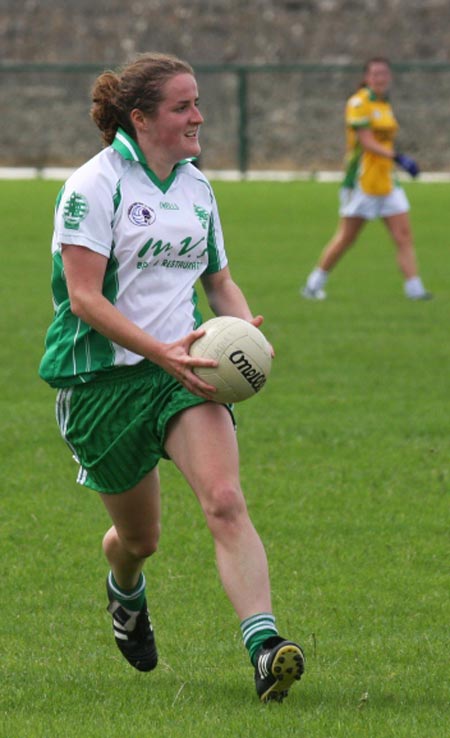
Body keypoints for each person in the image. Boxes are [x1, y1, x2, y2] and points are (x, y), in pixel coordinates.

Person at [39, 52, 304, 703]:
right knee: (139, 538)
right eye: (184, 105)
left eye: (198, 102)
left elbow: (218, 283)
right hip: (101, 382)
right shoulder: (93, 186)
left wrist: (248, 334)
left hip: (186, 375)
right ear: (141, 116)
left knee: (224, 501)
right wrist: (160, 350)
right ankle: (123, 585)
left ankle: (266, 648)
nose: (199, 116)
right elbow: (84, 299)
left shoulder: (196, 188)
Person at [302, 56, 431, 301]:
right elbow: (366, 141)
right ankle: (313, 285)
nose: (380, 78)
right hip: (362, 182)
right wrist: (399, 157)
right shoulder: (358, 103)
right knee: (346, 238)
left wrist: (394, 162)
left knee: (403, 236)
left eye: (384, 73)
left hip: (387, 181)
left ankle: (415, 291)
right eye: (375, 74)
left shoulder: (384, 104)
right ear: (366, 77)